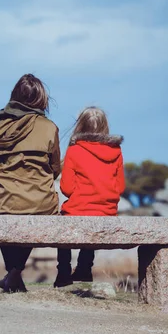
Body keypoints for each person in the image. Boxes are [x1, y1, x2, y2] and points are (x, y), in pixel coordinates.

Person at [0, 73, 61, 293]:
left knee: (3, 207)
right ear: (40, 99)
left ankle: (13, 275)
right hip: (40, 201)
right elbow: (55, 167)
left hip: (4, 199)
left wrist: (6, 184)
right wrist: (37, 183)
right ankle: (14, 275)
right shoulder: (49, 127)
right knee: (32, 207)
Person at [54, 106, 125, 288]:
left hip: (79, 209)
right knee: (94, 215)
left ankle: (63, 273)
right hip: (106, 211)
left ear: (80, 126)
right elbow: (121, 187)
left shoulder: (75, 150)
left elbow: (67, 189)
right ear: (104, 126)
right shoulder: (115, 151)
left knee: (64, 224)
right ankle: (85, 268)